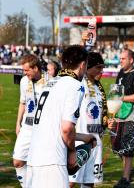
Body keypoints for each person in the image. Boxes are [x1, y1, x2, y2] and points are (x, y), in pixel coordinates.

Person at [26, 45, 96, 188]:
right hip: (53, 161)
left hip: (34, 158)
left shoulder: (51, 83)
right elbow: (66, 128)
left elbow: (54, 125)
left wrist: (83, 137)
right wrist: (72, 151)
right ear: (83, 65)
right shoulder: (76, 85)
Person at [69, 52, 109, 188]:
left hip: (96, 142)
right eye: (98, 67)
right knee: (70, 181)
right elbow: (74, 64)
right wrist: (84, 42)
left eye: (102, 67)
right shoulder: (80, 83)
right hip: (80, 141)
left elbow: (99, 113)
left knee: (89, 182)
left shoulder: (99, 86)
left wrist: (106, 122)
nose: (101, 71)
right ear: (87, 67)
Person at [110, 49, 134, 188]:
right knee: (115, 146)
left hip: (133, 116)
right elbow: (115, 93)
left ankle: (125, 179)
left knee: (127, 146)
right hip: (120, 115)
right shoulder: (120, 73)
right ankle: (130, 169)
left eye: (123, 59)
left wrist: (122, 98)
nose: (121, 61)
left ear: (131, 60)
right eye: (120, 59)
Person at [13, 54, 48, 188]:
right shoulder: (23, 81)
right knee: (18, 161)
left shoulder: (50, 81)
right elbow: (23, 102)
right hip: (27, 128)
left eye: (27, 70)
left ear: (36, 68)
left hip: (43, 129)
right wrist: (18, 123)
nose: (24, 73)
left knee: (41, 166)